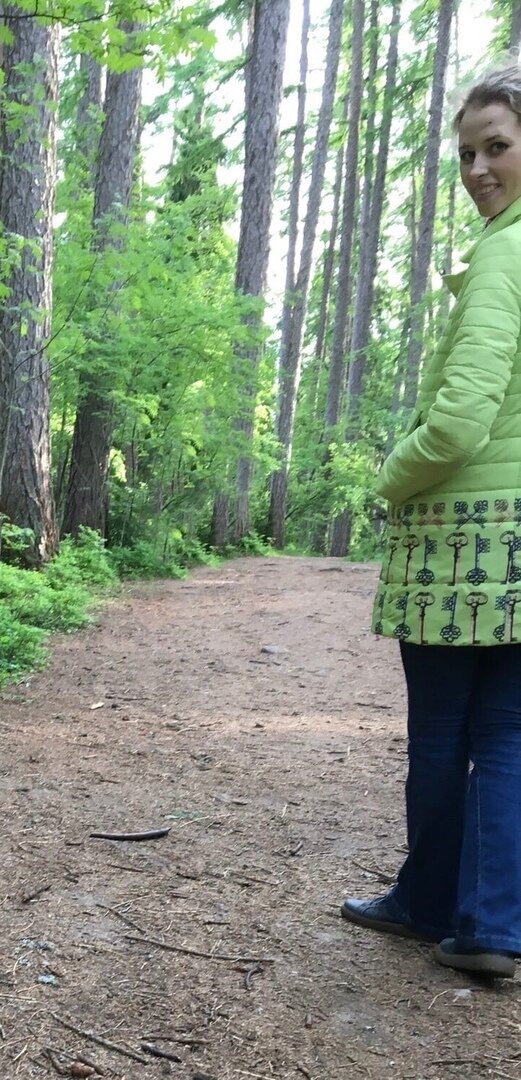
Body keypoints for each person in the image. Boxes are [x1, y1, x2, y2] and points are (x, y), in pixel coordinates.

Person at [348, 65, 521, 980]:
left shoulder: (503, 253)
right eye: (466, 152)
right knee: (507, 735)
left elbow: (459, 418)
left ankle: (423, 904)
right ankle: (490, 924)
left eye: (496, 144)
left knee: (444, 733)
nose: (477, 168)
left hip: (468, 537)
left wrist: (393, 475)